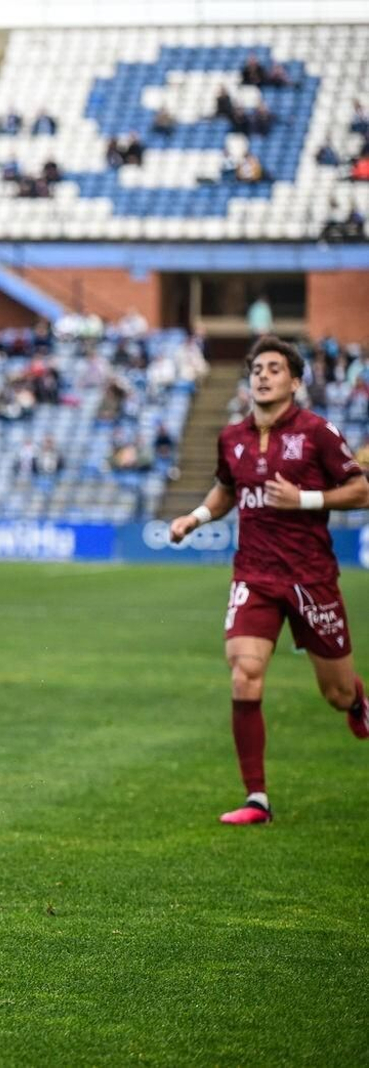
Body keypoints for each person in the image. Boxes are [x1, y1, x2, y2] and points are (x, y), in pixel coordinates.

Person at [169, 336, 369, 826]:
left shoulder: (318, 432)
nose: (262, 375)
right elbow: (226, 489)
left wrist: (305, 500)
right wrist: (196, 517)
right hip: (254, 574)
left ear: (295, 382)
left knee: (337, 694)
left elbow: (361, 489)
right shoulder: (232, 436)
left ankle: (357, 702)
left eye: (274, 368)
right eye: (257, 368)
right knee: (244, 672)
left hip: (311, 577)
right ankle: (256, 799)